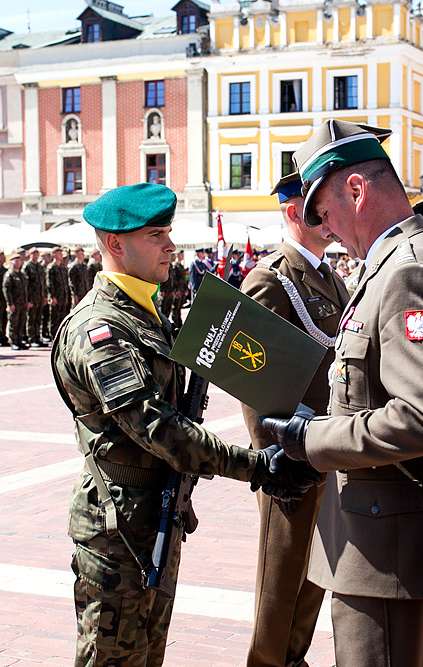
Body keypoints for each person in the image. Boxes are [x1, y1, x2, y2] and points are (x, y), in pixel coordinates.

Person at [51, 183, 316, 667]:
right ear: (115, 244)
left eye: (168, 233)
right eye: (157, 235)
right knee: (113, 658)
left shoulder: (146, 313)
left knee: (149, 654)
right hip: (117, 531)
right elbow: (158, 427)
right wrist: (256, 466)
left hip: (158, 516)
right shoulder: (101, 329)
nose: (171, 246)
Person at [261, 119, 423, 667]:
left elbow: (422, 417)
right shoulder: (394, 264)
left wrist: (310, 440)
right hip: (386, 536)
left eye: (325, 211)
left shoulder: (408, 271)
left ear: (356, 190)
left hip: (390, 547)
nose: (325, 228)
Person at [240, 173, 350, 667]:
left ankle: (294, 655)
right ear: (291, 212)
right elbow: (252, 380)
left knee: (317, 570)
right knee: (282, 575)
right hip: (290, 456)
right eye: (318, 210)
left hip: (327, 445)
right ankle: (267, 661)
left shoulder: (332, 277)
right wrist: (272, 456)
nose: (329, 219)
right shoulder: (269, 278)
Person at [24, 247, 48, 348]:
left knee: (38, 318)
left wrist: (45, 296)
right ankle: (32, 338)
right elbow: (26, 284)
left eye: (37, 253)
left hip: (40, 296)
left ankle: (38, 337)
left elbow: (43, 282)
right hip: (32, 296)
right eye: (33, 254)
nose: (35, 255)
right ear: (30, 255)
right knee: (31, 318)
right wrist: (28, 299)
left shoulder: (40, 266)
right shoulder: (27, 266)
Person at [47, 247, 72, 339]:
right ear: (54, 255)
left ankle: (61, 335)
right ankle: (54, 336)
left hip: (63, 296)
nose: (61, 255)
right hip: (56, 296)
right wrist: (52, 297)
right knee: (54, 317)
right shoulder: (51, 268)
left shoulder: (62, 268)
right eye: (59, 253)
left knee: (62, 317)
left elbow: (66, 283)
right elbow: (50, 283)